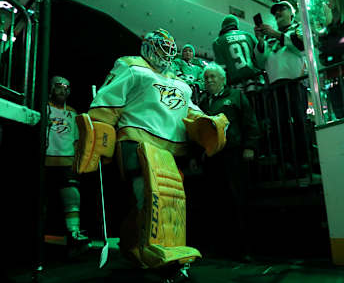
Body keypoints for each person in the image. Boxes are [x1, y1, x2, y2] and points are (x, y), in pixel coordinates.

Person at [73, 28, 229, 269]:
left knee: (171, 199)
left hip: (171, 150)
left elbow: (189, 111)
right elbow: (108, 102)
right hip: (137, 140)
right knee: (149, 196)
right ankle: (150, 250)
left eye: (168, 50)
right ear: (148, 45)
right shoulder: (131, 66)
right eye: (160, 48)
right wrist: (97, 135)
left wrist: (205, 124)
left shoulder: (179, 81)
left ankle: (142, 246)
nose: (164, 55)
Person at [196, 62, 260, 261]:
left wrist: (250, 146)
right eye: (207, 78)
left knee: (237, 201)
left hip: (234, 156)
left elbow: (250, 122)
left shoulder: (236, 97)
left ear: (223, 79)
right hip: (212, 159)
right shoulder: (203, 103)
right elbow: (198, 131)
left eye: (213, 76)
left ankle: (244, 250)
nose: (209, 80)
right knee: (216, 203)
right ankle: (221, 249)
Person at [254, 0, 311, 179]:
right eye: (275, 11)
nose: (278, 12)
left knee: (299, 122)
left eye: (282, 9)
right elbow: (261, 62)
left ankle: (303, 162)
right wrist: (261, 41)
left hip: (295, 83)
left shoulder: (298, 28)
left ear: (292, 13)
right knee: (279, 125)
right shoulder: (271, 37)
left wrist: (277, 34)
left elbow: (301, 47)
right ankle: (284, 163)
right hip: (275, 86)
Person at [45, 76, 88, 249]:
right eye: (58, 86)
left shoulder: (72, 112)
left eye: (66, 87)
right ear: (51, 88)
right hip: (45, 161)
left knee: (72, 197)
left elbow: (77, 141)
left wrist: (78, 163)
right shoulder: (44, 107)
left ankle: (74, 233)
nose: (62, 90)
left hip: (67, 162)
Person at [212, 14, 263, 91]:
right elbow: (260, 57)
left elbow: (221, 67)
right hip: (257, 81)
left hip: (236, 84)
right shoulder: (249, 36)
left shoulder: (218, 41)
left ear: (223, 26)